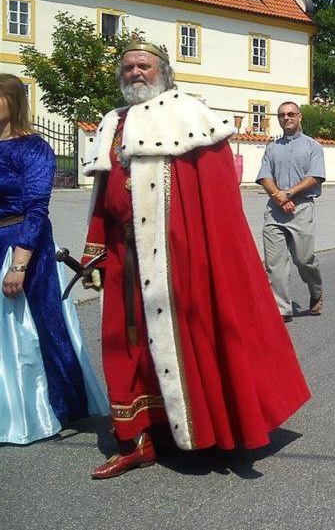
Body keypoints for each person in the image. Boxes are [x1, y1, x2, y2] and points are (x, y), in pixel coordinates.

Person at [80, 42, 310, 478]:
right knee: (126, 346)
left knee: (191, 341)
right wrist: (95, 252)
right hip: (125, 258)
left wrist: (210, 258)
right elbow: (100, 198)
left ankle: (208, 430)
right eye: (127, 67)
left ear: (162, 71)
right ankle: (139, 439)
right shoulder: (113, 123)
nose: (134, 73)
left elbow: (216, 200)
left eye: (143, 65)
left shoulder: (191, 115)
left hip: (179, 259)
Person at [0, 74, 107, 445]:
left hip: (23, 242)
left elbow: (35, 207)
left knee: (37, 326)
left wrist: (19, 262)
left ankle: (53, 406)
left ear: (12, 101)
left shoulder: (33, 148)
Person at [257, 101, 326, 322]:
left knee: (304, 260)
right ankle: (282, 309)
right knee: (274, 263)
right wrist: (279, 196)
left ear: (300, 117)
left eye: (290, 114)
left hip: (302, 208)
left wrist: (288, 194)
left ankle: (316, 292)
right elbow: (265, 177)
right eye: (281, 115)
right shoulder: (272, 148)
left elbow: (314, 177)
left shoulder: (313, 147)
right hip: (275, 211)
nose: (286, 118)